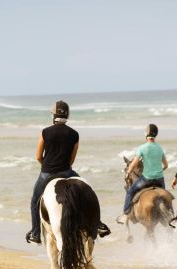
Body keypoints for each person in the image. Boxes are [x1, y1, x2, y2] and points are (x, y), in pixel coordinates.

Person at [25, 101, 110, 244]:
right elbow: (71, 159)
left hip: (47, 173)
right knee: (88, 192)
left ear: (53, 115)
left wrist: (46, 165)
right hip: (67, 171)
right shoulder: (74, 134)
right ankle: (99, 224)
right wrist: (65, 168)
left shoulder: (45, 132)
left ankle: (35, 233)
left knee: (35, 201)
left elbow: (38, 156)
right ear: (67, 115)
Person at [117, 124, 168, 224]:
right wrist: (159, 171)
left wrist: (128, 172)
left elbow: (134, 163)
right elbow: (166, 165)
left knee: (130, 191)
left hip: (147, 179)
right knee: (165, 197)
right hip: (160, 180)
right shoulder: (160, 148)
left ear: (146, 134)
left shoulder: (142, 148)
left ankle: (125, 215)